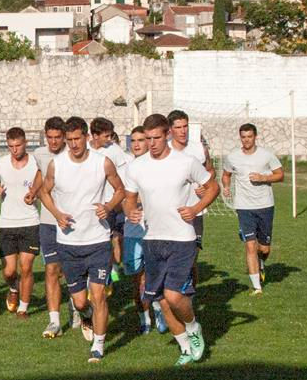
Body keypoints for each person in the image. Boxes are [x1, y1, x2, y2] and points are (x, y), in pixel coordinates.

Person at [124, 114, 218, 366]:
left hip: (181, 238)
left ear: (166, 135)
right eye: (147, 138)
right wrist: (130, 211)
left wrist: (196, 208)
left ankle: (193, 327)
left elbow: (213, 187)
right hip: (152, 239)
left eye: (156, 138)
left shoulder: (185, 162)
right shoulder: (136, 167)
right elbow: (128, 199)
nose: (151, 143)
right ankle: (185, 348)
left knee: (174, 295)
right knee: (162, 301)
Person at [39, 117, 125, 363]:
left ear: (87, 137)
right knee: (79, 301)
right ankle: (84, 315)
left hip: (98, 241)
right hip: (68, 243)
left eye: (77, 139)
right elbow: (44, 191)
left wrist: (108, 207)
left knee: (98, 295)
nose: (74, 144)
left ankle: (98, 345)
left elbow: (120, 189)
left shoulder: (102, 162)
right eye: (69, 140)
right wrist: (57, 214)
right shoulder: (56, 165)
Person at [221, 123, 284, 296]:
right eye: (243, 137)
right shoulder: (233, 157)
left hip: (265, 205)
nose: (246, 140)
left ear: (255, 137)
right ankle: (257, 287)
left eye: (249, 136)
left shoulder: (266, 155)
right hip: (243, 207)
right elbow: (226, 174)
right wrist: (226, 187)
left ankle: (261, 262)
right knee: (250, 245)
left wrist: (263, 178)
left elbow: (280, 175)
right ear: (240, 138)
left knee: (264, 249)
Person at [0, 127, 41, 320]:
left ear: (25, 143)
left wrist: (34, 193)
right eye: (10, 146)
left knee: (26, 267)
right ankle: (13, 288)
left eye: (18, 145)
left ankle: (23, 309)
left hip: (30, 221)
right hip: (7, 223)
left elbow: (43, 183)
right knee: (10, 271)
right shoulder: (1, 164)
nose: (14, 150)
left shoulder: (35, 163)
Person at [34, 117, 74, 338]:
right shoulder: (40, 154)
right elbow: (41, 174)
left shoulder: (73, 155)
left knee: (70, 270)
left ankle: (77, 306)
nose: (53, 142)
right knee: (51, 269)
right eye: (49, 137)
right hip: (48, 222)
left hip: (70, 222)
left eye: (58, 137)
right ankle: (54, 321)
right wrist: (33, 192)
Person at [123, 126, 163, 334]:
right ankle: (144, 318)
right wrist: (128, 209)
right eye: (133, 140)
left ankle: (158, 309)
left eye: (141, 140)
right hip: (132, 233)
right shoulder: (126, 168)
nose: (137, 144)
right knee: (137, 280)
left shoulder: (157, 166)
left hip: (154, 231)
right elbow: (122, 199)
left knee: (152, 277)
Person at [167, 110, 215, 284]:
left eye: (185, 126)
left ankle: (190, 293)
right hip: (172, 211)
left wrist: (204, 186)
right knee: (173, 255)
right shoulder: (165, 150)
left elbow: (210, 171)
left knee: (192, 255)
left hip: (196, 210)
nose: (183, 131)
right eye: (178, 127)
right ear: (170, 130)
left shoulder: (199, 148)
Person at [89, 117, 128, 290]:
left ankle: (105, 277)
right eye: (106, 136)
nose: (110, 139)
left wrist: (116, 202)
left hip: (108, 205)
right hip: (88, 205)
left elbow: (123, 177)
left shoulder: (115, 150)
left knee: (105, 242)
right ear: (95, 135)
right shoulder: (84, 149)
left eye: (111, 135)